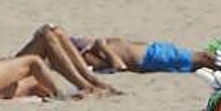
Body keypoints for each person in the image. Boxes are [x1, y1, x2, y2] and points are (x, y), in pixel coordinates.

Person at [74, 36, 213, 73]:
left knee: (199, 59)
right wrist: (102, 47)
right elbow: (119, 65)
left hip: (152, 50)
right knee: (201, 58)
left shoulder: (97, 47)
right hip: (149, 58)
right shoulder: (94, 57)